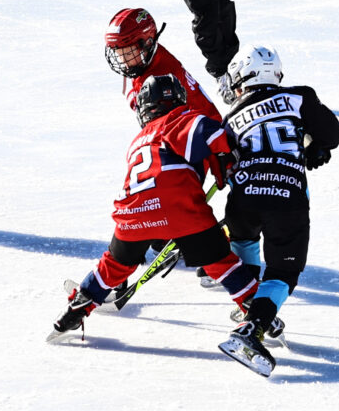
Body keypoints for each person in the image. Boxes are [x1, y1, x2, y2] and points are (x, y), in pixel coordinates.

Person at [50, 75, 261, 342]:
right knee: (221, 262)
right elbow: (211, 133)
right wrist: (228, 162)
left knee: (114, 265)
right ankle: (258, 314)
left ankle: (74, 310)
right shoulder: (180, 118)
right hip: (180, 209)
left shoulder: (137, 140)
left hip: (132, 213)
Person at [218, 46, 339, 377]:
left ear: (242, 79)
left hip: (242, 199)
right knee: (283, 271)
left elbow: (222, 164)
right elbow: (332, 135)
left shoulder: (229, 119)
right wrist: (313, 145)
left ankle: (250, 305)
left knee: (244, 241)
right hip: (287, 198)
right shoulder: (300, 96)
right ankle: (251, 328)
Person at [104, 7, 221, 121]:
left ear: (147, 44)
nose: (123, 61)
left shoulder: (161, 79)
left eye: (128, 54)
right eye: (119, 54)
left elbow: (162, 128)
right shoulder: (144, 60)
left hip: (201, 130)